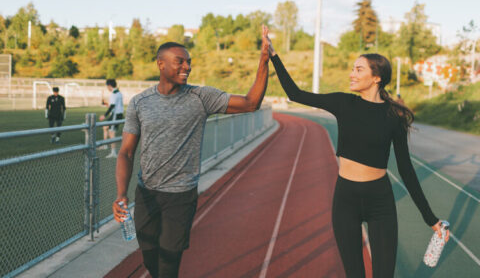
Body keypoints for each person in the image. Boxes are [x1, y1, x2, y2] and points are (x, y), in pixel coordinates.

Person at [266, 38, 449, 278]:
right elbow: (295, 93)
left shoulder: (394, 116)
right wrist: (274, 55)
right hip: (345, 200)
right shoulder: (343, 103)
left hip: (380, 201)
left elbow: (406, 170)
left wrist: (431, 219)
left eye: (358, 69)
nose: (352, 74)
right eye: (352, 69)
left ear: (376, 78)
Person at [112, 26, 270, 278]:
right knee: (150, 256)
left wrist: (263, 61)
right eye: (180, 62)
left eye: (189, 62)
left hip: (180, 196)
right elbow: (126, 153)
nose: (186, 67)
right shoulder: (140, 103)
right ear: (160, 64)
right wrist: (121, 194)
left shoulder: (201, 97)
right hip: (146, 194)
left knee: (168, 264)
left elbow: (251, 103)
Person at [100, 79, 124, 158]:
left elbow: (113, 106)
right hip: (117, 114)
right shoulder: (118, 92)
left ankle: (113, 152)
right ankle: (105, 145)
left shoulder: (114, 94)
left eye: (107, 86)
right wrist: (107, 104)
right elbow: (114, 105)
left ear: (109, 86)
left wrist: (104, 115)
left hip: (115, 115)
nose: (107, 88)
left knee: (111, 132)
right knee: (105, 127)